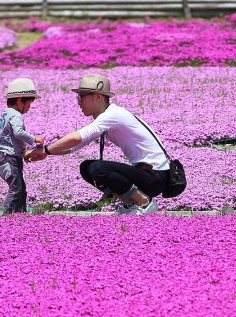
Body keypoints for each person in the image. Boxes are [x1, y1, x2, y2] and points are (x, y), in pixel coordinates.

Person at [25, 73, 169, 215]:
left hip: (156, 176)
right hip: (148, 173)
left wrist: (46, 150)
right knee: (86, 167)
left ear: (98, 97)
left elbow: (77, 138)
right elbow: (75, 146)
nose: (78, 102)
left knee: (98, 168)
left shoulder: (113, 115)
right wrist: (45, 153)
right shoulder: (107, 116)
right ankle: (131, 203)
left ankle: (144, 202)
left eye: (81, 97)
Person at [0, 78, 44, 214]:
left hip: (3, 156)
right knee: (16, 188)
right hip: (10, 158)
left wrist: (22, 152)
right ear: (19, 100)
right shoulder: (16, 115)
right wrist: (34, 139)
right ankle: (3, 212)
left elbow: (5, 137)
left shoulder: (4, 114)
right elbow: (18, 132)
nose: (29, 107)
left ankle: (20, 211)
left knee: (20, 187)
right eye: (28, 103)